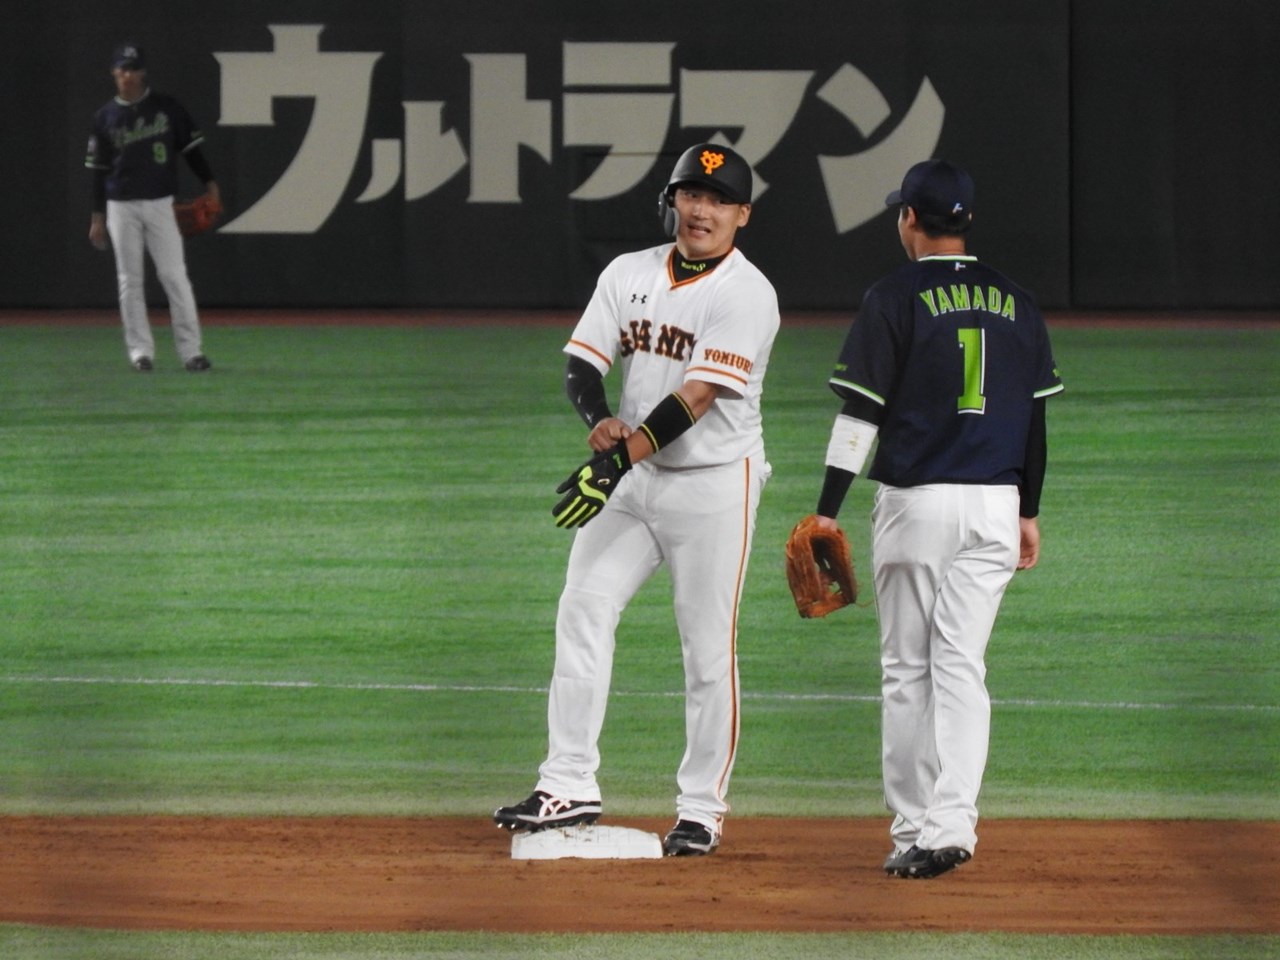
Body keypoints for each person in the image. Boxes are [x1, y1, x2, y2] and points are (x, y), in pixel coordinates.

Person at [494, 143, 780, 856]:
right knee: (582, 608)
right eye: (691, 194)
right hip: (636, 479)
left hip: (716, 484)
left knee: (706, 649)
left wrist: (617, 458)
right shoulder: (628, 272)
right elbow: (581, 365)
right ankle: (568, 782)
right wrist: (601, 424)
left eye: (718, 200)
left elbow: (697, 398)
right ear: (671, 201)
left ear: (742, 215)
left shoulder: (747, 293)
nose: (701, 210)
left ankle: (702, 809)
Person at [808, 159, 1064, 879]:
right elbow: (1035, 421)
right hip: (996, 506)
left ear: (909, 219)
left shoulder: (892, 296)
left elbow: (859, 414)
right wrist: (1029, 511)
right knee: (961, 665)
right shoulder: (1018, 301)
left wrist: (827, 510)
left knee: (906, 671)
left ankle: (913, 829)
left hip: (916, 504)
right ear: (967, 221)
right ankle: (952, 826)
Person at [85, 42, 217, 372]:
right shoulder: (104, 117)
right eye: (122, 69)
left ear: (143, 72)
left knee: (174, 276)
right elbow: (98, 173)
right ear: (114, 72)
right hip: (120, 206)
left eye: (133, 69)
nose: (127, 75)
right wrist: (97, 217)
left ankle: (191, 352)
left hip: (160, 203)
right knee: (130, 280)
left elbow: (192, 151)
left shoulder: (167, 108)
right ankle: (140, 352)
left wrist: (210, 184)